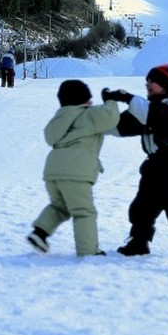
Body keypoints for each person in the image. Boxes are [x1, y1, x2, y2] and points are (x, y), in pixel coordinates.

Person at [105, 62, 168, 257]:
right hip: (154, 165)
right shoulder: (149, 109)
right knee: (143, 206)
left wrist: (126, 97)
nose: (148, 84)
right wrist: (101, 118)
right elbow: (122, 125)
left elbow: (150, 114)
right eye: (147, 81)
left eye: (153, 81)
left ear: (166, 85)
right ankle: (139, 241)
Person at [26, 80, 121, 257]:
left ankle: (40, 233)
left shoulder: (59, 119)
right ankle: (88, 251)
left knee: (60, 206)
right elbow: (110, 117)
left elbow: (49, 138)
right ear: (84, 100)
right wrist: (110, 100)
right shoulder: (88, 115)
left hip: (52, 172)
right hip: (75, 173)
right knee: (84, 212)